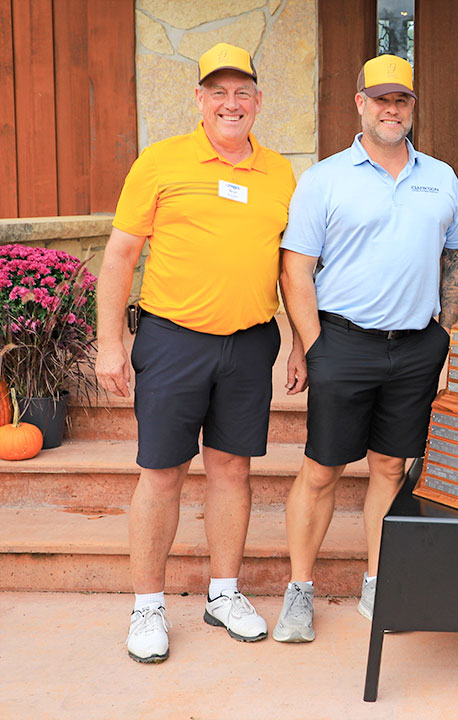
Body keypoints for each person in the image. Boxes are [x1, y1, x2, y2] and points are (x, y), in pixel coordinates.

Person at [95, 43, 297, 663]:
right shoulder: (161, 162)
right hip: (173, 340)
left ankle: (224, 593)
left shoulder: (282, 174)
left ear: (259, 102)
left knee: (233, 469)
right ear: (200, 100)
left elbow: (293, 268)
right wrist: (110, 343)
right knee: (162, 473)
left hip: (250, 343)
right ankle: (148, 604)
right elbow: (120, 256)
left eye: (242, 93)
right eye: (218, 92)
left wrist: (302, 344)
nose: (230, 104)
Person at [272, 54, 458, 643]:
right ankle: (299, 592)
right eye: (381, 99)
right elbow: (296, 269)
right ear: (359, 102)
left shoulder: (440, 176)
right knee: (322, 469)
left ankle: (379, 584)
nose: (392, 109)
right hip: (343, 342)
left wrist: (444, 331)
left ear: (413, 106)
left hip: (415, 348)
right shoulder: (325, 179)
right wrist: (315, 346)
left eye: (402, 100)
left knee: (391, 466)